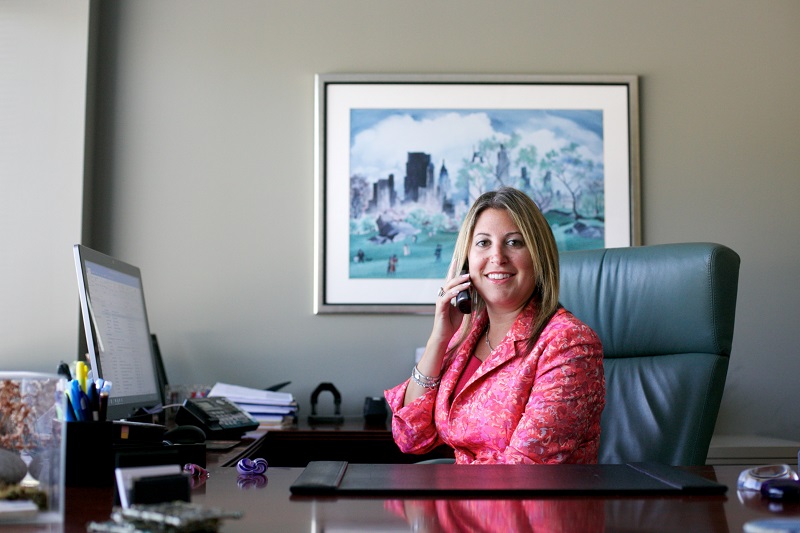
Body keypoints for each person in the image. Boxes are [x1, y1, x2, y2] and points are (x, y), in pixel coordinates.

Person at [384, 187, 604, 464]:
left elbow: (524, 469)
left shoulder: (569, 343)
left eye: (514, 242)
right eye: (483, 243)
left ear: (539, 256)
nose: (497, 257)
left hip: (533, 505)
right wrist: (439, 339)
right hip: (467, 499)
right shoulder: (467, 335)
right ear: (465, 262)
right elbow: (410, 437)